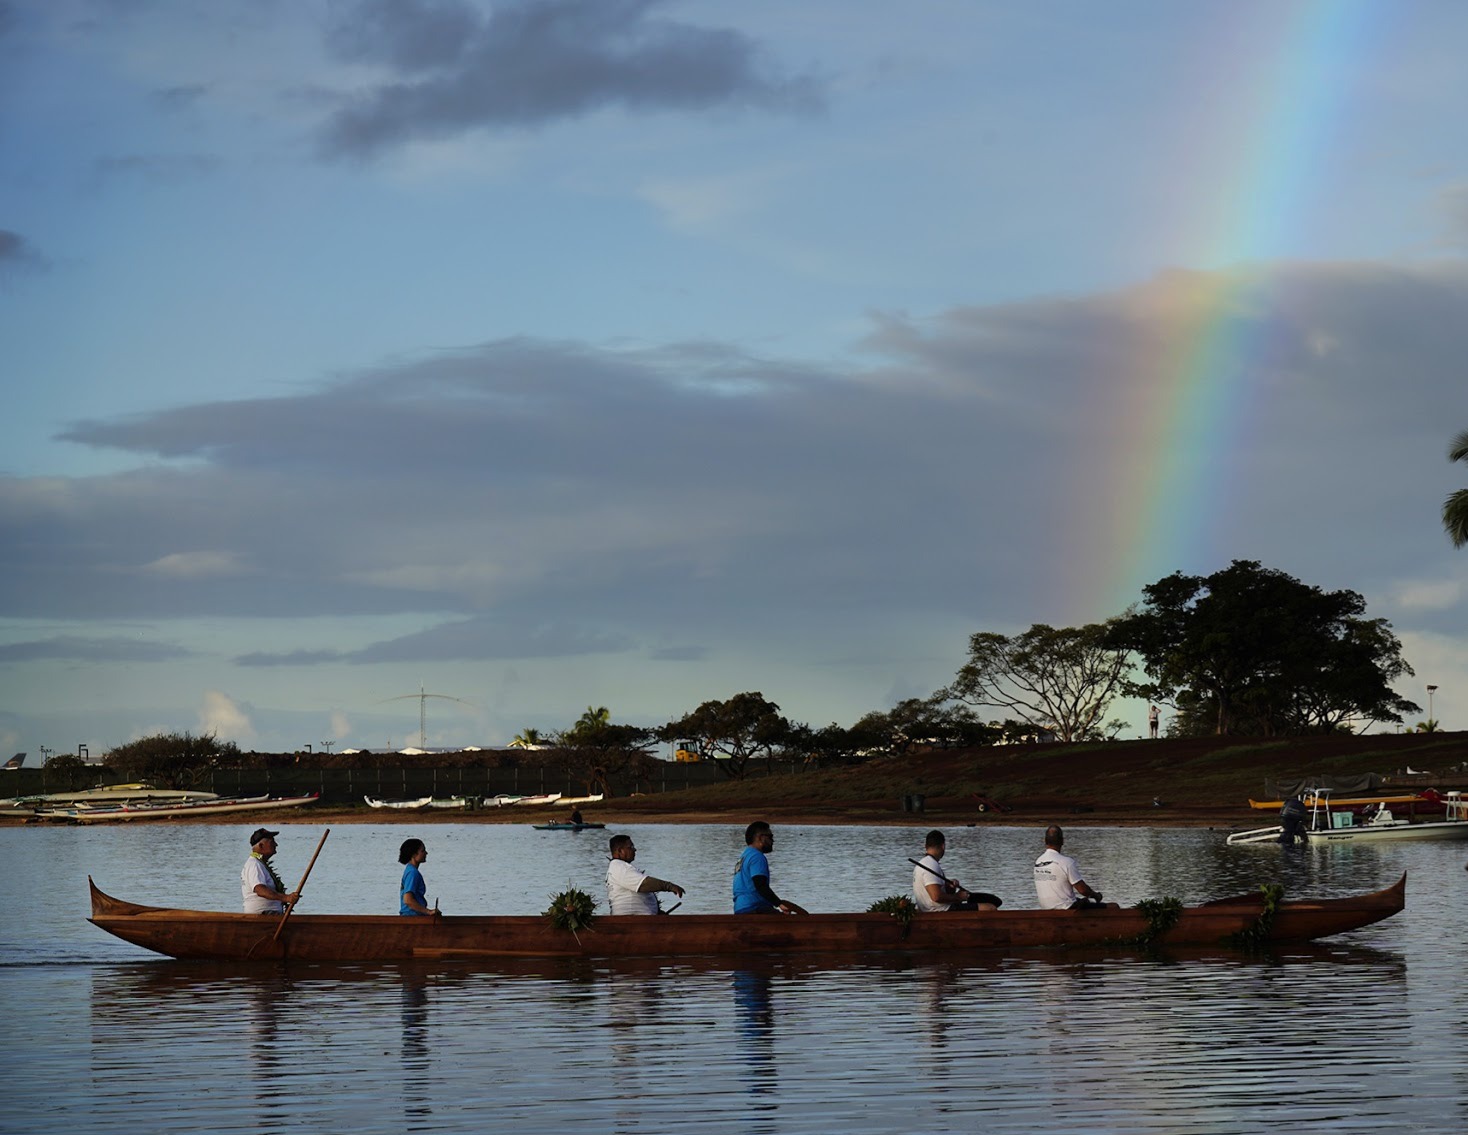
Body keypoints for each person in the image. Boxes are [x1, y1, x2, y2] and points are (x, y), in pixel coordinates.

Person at [912, 830, 1000, 912]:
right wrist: (958, 897)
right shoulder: (931, 864)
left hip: (931, 909)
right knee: (990, 908)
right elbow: (936, 897)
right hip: (940, 910)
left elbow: (935, 892)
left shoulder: (922, 863)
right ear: (943, 846)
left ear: (926, 846)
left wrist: (949, 887)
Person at [733, 821, 808, 915]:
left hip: (740, 909)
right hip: (756, 907)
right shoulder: (757, 857)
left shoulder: (744, 857)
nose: (773, 841)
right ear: (760, 838)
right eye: (770, 837)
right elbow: (760, 884)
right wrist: (779, 903)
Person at [1033, 825, 1111, 910]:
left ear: (1045, 841)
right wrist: (1096, 895)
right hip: (1066, 909)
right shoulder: (1066, 862)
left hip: (1046, 909)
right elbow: (1083, 890)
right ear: (1062, 841)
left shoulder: (1038, 861)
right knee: (1113, 907)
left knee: (1084, 903)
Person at [605, 833, 685, 915]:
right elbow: (643, 884)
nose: (634, 850)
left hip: (639, 920)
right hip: (631, 921)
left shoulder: (619, 867)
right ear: (620, 851)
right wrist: (668, 886)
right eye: (631, 847)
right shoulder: (619, 867)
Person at [241, 828, 300, 915]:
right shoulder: (254, 864)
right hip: (263, 915)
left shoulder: (260, 864)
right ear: (261, 845)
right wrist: (286, 898)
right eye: (272, 842)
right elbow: (260, 889)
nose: (276, 844)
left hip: (270, 914)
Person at [398, 838, 440, 916]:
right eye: (423, 851)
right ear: (414, 854)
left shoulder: (410, 870)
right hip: (412, 916)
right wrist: (428, 912)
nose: (426, 853)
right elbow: (408, 900)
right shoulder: (412, 873)